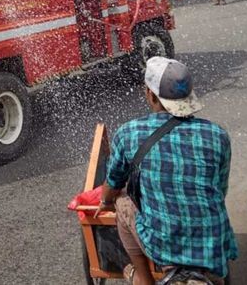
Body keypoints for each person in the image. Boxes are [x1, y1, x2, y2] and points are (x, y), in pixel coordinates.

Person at [96, 56, 237, 285]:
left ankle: (143, 278)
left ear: (150, 95)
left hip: (162, 244)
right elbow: (220, 190)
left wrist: (105, 201)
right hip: (213, 240)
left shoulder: (129, 133)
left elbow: (112, 185)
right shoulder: (217, 135)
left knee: (123, 205)